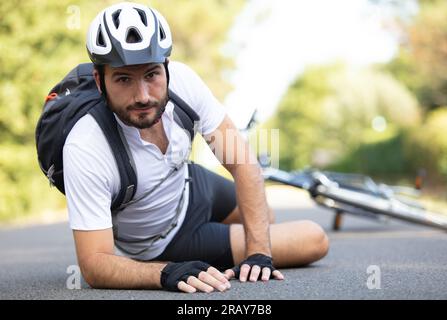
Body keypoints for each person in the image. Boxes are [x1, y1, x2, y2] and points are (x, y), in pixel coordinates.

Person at [64, 2, 329, 293]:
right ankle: (206, 246)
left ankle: (239, 241)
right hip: (170, 236)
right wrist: (165, 272)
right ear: (99, 81)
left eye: (151, 75)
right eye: (124, 79)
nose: (142, 96)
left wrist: (258, 252)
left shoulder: (184, 82)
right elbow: (94, 264)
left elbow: (242, 161)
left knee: (264, 217)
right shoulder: (85, 145)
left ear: (166, 68)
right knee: (313, 239)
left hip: (193, 183)